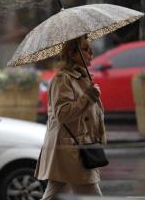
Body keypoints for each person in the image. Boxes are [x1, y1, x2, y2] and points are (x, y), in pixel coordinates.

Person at [34, 35, 107, 199]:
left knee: (54, 194)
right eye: (86, 49)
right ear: (73, 54)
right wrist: (88, 97)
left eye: (91, 49)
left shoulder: (82, 78)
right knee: (92, 195)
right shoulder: (63, 79)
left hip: (75, 148)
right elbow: (63, 114)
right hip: (70, 150)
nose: (91, 52)